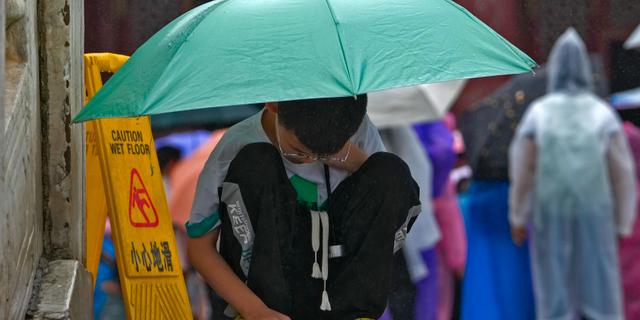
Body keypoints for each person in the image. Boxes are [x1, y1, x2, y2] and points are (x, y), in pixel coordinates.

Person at [186, 95, 421, 320]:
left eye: (322, 154)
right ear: (273, 104)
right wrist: (253, 310)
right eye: (297, 152)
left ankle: (356, 313)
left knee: (392, 172)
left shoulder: (353, 129)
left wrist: (347, 156)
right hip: (267, 298)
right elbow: (199, 247)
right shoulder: (236, 144)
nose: (311, 160)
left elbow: (398, 198)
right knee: (255, 162)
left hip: (339, 288)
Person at [509, 28, 637, 320]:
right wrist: (623, 221)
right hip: (595, 209)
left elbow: (523, 168)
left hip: (550, 209)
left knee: (554, 287)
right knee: (599, 285)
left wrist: (517, 215)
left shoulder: (538, 113)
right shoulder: (601, 113)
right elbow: (622, 173)